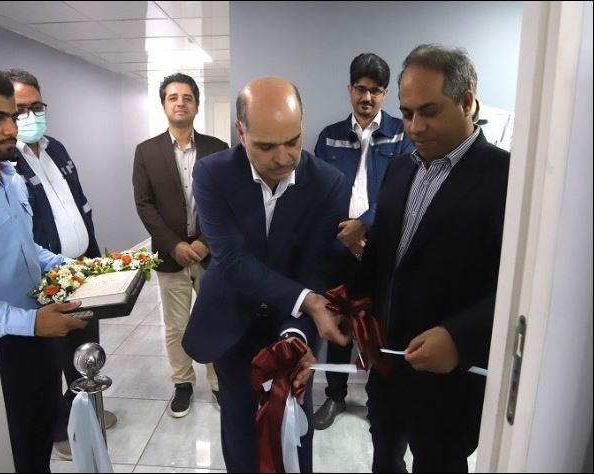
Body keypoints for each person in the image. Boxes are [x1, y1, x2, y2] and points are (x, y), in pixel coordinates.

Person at [182, 77, 351, 472]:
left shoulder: (327, 183)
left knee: (293, 431)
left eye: (292, 141)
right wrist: (309, 301)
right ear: (241, 132)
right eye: (266, 146)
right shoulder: (212, 174)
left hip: (293, 327)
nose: (283, 157)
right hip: (231, 326)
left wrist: (296, 337)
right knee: (241, 433)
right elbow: (232, 260)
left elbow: (315, 268)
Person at [355, 44, 509, 472]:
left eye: (429, 111)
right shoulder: (399, 170)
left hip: (450, 383)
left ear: (466, 100)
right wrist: (350, 305)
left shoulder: (506, 178)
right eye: (406, 114)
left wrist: (460, 337)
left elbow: (517, 289)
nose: (415, 127)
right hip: (388, 366)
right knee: (384, 458)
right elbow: (384, 259)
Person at [0, 66, 88, 472]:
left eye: (13, 117)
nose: (11, 128)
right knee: (12, 453)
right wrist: (31, 324)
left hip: (39, 336)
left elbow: (26, 247)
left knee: (39, 445)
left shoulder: (12, 177)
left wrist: (72, 267)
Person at [6, 69, 113, 461]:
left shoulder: (57, 149)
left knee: (83, 346)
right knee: (52, 355)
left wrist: (96, 263)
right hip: (47, 279)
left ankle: (85, 409)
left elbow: (80, 204)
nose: (31, 116)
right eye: (20, 109)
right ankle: (59, 429)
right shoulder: (8, 161)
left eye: (37, 106)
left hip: (81, 267)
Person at [313, 53, 414, 430]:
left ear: (385, 94)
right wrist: (347, 234)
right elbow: (320, 192)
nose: (366, 97)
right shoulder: (330, 136)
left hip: (381, 250)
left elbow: (402, 191)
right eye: (360, 88)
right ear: (350, 89)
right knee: (338, 323)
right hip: (339, 248)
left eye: (375, 90)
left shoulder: (402, 134)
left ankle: (378, 399)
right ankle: (336, 395)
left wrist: (364, 227)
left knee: (380, 324)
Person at [133, 73, 228, 418]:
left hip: (210, 254)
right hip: (170, 255)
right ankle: (183, 382)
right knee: (176, 326)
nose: (180, 103)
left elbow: (228, 201)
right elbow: (145, 205)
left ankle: (218, 382)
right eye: (173, 97)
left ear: (197, 105)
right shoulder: (146, 152)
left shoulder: (219, 149)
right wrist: (174, 245)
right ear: (164, 105)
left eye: (187, 97)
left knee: (215, 320)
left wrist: (205, 242)